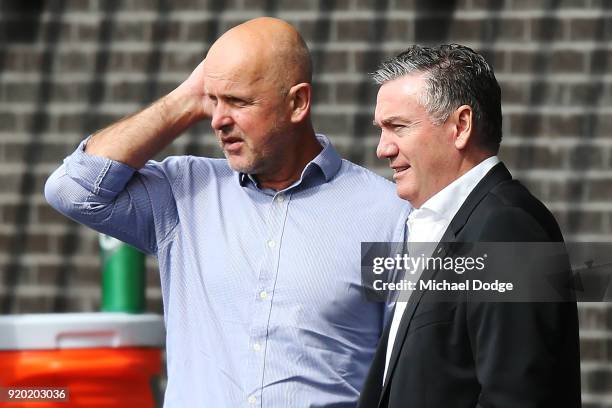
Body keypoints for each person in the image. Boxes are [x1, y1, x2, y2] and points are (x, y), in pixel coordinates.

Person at [44, 17, 409, 407]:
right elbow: (71, 189)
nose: (218, 120)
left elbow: (426, 359)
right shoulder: (183, 193)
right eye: (213, 100)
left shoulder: (389, 214)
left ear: (298, 102)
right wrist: (185, 99)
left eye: (238, 101)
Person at [358, 44, 581, 408]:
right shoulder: (443, 225)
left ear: (460, 126)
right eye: (381, 129)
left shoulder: (508, 229)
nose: (382, 148)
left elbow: (518, 397)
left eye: (397, 127)